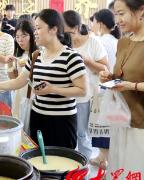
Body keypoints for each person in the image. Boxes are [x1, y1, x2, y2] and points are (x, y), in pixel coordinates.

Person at [0, 9, 87, 147]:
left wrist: (53, 89)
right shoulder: (36, 56)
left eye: (38, 28)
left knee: (61, 164)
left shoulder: (71, 57)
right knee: (38, 161)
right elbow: (19, 81)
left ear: (53, 29)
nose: (35, 32)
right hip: (38, 117)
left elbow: (82, 90)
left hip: (62, 121)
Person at [100, 0, 144, 177]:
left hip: (141, 124)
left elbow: (132, 81)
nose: (117, 20)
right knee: (119, 169)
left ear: (141, 11)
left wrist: (132, 86)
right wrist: (110, 77)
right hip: (121, 119)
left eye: (121, 13)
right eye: (115, 14)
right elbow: (123, 75)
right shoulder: (123, 42)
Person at [63, 10, 109, 159]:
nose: (65, 36)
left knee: (82, 135)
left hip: (85, 97)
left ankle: (84, 167)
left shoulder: (93, 42)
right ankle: (71, 165)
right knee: (69, 134)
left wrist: (87, 61)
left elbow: (105, 68)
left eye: (68, 32)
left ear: (76, 28)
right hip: (65, 96)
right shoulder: (64, 43)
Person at [89, 9, 121, 169]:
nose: (92, 25)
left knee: (100, 124)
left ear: (100, 24)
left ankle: (103, 158)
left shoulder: (101, 41)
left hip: (103, 87)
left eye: (93, 21)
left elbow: (100, 67)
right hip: (113, 87)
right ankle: (103, 156)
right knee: (107, 125)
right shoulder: (115, 40)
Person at [7, 19, 37, 118]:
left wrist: (30, 65)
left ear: (32, 36)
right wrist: (10, 65)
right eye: (17, 36)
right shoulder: (19, 54)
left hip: (33, 97)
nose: (20, 40)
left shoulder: (38, 54)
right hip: (19, 95)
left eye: (24, 36)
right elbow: (13, 79)